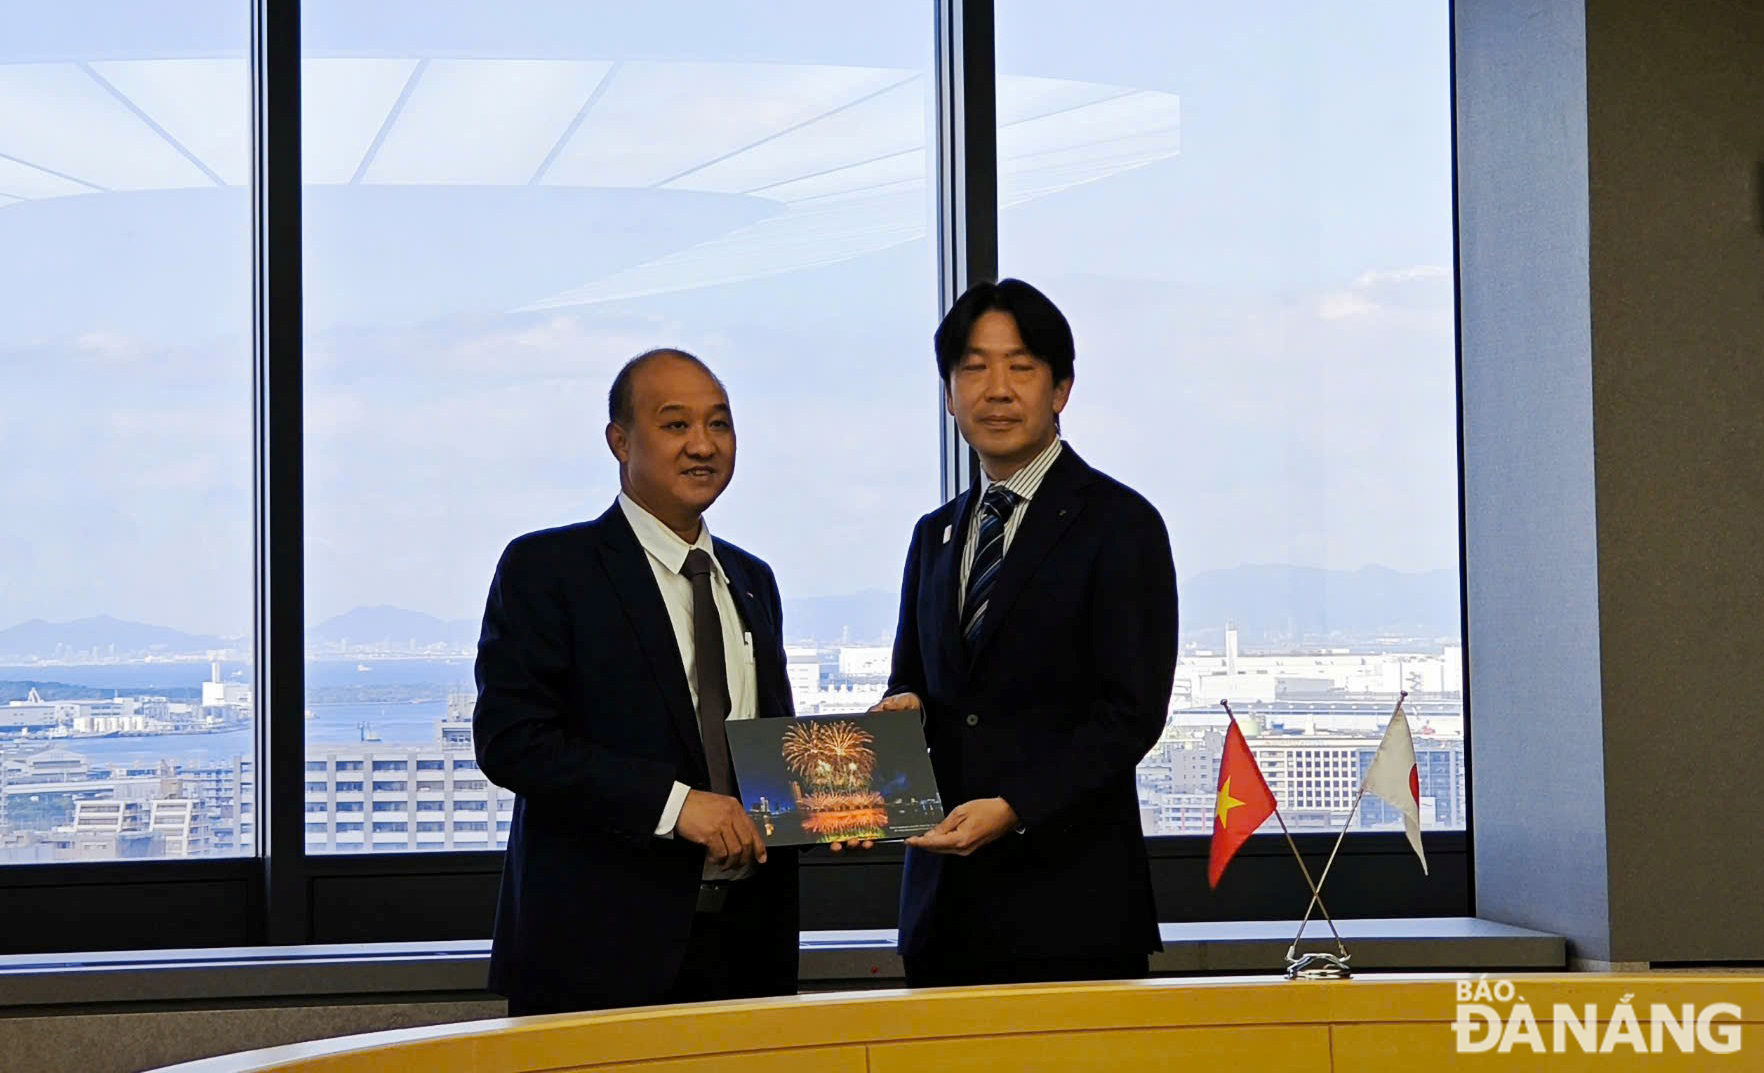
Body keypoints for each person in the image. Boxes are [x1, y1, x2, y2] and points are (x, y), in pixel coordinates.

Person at [473, 348, 799, 1015]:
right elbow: (512, 741)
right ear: (620, 441)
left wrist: (837, 802)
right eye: (676, 425)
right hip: (596, 958)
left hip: (744, 953)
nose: (703, 445)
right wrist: (678, 804)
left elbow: (768, 757)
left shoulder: (752, 579)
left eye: (720, 424)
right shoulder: (549, 568)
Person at [875, 278, 1178, 987]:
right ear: (949, 394)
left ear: (1061, 388)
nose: (997, 389)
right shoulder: (935, 536)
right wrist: (901, 710)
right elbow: (911, 680)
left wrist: (1014, 809)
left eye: (1021, 366)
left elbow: (1130, 714)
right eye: (973, 368)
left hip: (1073, 913)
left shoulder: (1120, 525)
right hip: (943, 912)